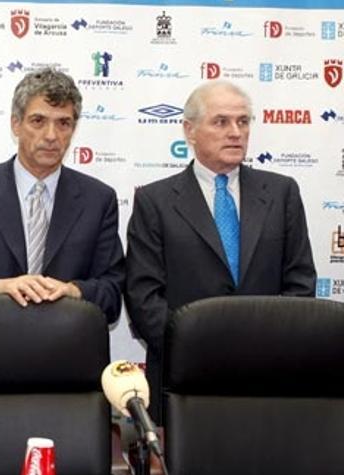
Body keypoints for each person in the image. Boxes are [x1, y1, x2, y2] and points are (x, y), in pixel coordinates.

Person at [125, 80, 316, 421]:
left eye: (243, 122)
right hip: (184, 380)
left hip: (269, 378)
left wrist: (268, 351)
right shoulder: (155, 201)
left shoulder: (282, 193)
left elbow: (300, 284)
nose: (235, 132)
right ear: (190, 130)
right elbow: (143, 296)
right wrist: (197, 350)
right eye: (221, 122)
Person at [0, 67, 124, 323]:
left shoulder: (98, 200)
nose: (51, 136)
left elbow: (112, 293)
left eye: (63, 123)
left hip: (65, 350)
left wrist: (74, 291)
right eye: (38, 121)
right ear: (16, 124)